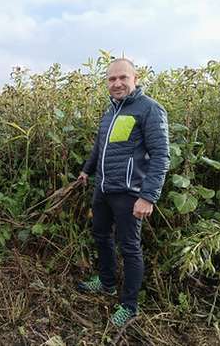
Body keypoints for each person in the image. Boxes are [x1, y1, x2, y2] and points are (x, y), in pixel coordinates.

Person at [76, 58, 170, 327]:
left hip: (130, 193)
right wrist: (87, 171)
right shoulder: (110, 111)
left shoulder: (149, 109)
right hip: (103, 189)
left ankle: (129, 306)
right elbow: (100, 147)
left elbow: (161, 156)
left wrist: (148, 196)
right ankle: (106, 282)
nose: (116, 83)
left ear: (135, 79)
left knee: (129, 248)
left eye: (122, 78)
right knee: (101, 234)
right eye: (111, 79)